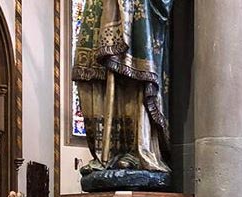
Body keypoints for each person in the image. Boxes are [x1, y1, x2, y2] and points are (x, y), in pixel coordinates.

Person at [72, 0, 175, 175]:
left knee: (134, 75)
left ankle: (136, 150)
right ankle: (108, 151)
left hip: (138, 12)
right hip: (102, 8)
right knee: (94, 75)